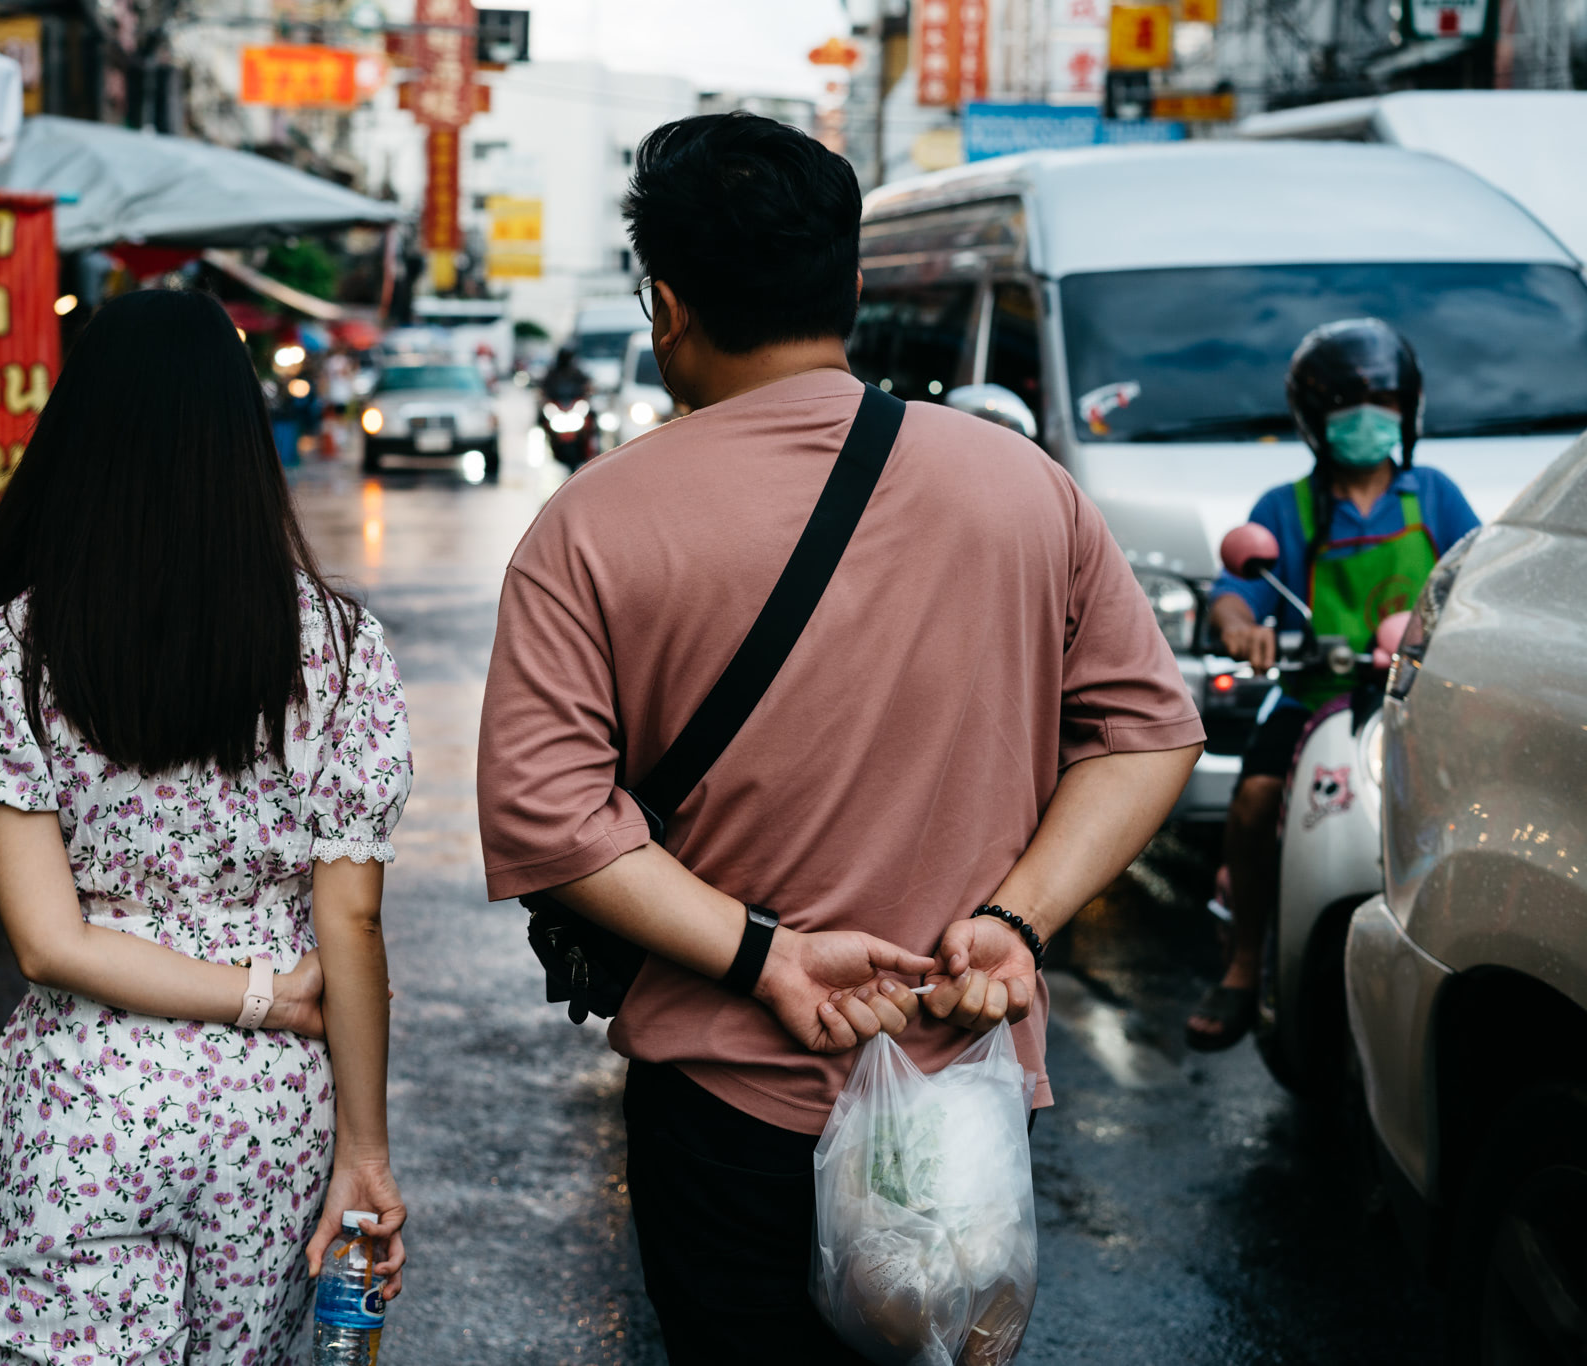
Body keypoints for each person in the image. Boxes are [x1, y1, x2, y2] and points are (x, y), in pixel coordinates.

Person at [476, 111, 1205, 1363]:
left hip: (724, 1100)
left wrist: (765, 958)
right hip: (964, 1094)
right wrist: (1015, 922)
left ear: (664, 303)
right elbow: (1146, 733)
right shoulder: (1023, 486)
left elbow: (550, 820)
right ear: (853, 287)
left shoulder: (589, 527)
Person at [0, 290, 412, 1363]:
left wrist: (257, 1000)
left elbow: (51, 942)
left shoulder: (18, 647)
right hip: (270, 1117)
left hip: (83, 1102)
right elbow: (353, 926)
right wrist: (361, 1149)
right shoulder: (339, 646)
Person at [1185, 318, 1479, 1051]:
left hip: (1418, 702)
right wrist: (1239, 626)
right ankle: (1245, 964)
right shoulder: (1287, 507)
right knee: (1251, 805)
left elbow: (1478, 574)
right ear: (1315, 421)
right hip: (1314, 700)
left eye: (1383, 401)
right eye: (1349, 405)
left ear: (1407, 410)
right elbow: (1234, 592)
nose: (1367, 418)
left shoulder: (1434, 496)